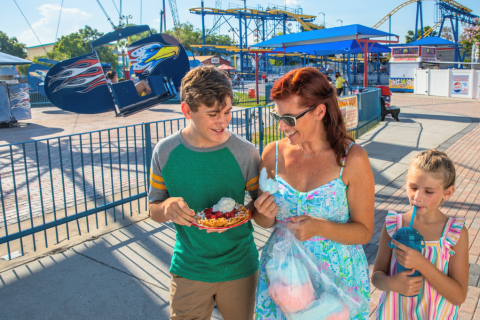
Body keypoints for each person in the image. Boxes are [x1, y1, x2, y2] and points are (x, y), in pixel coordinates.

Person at [254, 67, 374, 319]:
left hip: (336, 280)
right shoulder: (272, 154)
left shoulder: (352, 158)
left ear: (320, 111)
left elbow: (364, 232)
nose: (282, 127)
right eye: (278, 117)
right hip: (283, 278)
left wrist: (320, 228)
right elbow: (266, 222)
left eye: (290, 118)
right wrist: (262, 213)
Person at [149, 66, 260, 320]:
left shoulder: (246, 152)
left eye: (228, 112)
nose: (223, 121)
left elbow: (259, 208)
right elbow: (153, 209)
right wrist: (166, 209)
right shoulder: (164, 152)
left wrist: (249, 212)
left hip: (240, 268)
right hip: (189, 268)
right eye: (212, 114)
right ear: (187, 110)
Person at [372, 149, 468, 319]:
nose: (417, 197)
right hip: (395, 313)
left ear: (447, 192)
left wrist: (421, 263)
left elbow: (458, 296)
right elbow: (377, 276)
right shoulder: (394, 226)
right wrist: (391, 283)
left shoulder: (454, 234)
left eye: (428, 191)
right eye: (413, 187)